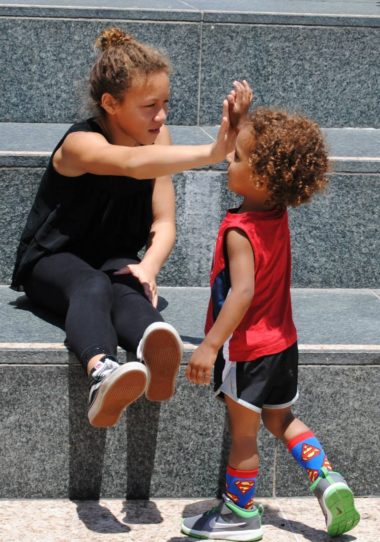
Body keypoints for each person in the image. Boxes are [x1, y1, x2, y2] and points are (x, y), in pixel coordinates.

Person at [11, 27, 251, 428]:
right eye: (149, 106)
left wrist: (149, 267)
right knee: (92, 285)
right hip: (52, 261)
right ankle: (102, 371)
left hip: (113, 258)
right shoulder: (81, 144)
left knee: (128, 286)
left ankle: (152, 346)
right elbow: (128, 163)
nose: (161, 116)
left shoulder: (159, 140)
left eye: (166, 104)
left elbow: (164, 221)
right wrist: (213, 151)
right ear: (110, 103)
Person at [182, 108, 360, 540]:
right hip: (283, 344)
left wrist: (209, 345)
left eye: (238, 158)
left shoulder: (239, 230)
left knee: (244, 437)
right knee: (282, 421)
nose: (229, 161)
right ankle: (325, 477)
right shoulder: (276, 210)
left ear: (263, 177)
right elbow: (276, 150)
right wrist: (243, 119)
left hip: (248, 352)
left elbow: (241, 294)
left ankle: (239, 514)